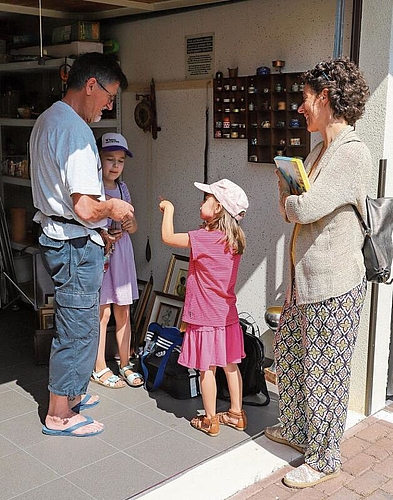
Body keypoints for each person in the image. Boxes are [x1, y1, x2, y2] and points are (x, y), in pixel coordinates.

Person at [265, 57, 373, 487]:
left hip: (333, 283)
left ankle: (325, 457)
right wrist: (290, 198)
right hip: (302, 282)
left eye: (305, 99)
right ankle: (295, 430)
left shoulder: (352, 153)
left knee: (325, 369)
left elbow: (302, 207)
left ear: (326, 99)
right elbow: (296, 211)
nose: (300, 108)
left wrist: (286, 190)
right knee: (293, 361)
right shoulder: (318, 150)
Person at [30, 52, 134, 437]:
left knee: (82, 320)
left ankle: (72, 393)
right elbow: (85, 207)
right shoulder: (75, 131)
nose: (109, 105)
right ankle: (60, 413)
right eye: (109, 96)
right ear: (91, 85)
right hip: (73, 243)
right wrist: (114, 206)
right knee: (76, 325)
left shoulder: (47, 119)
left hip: (63, 236)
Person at [159, 179, 249, 436]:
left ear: (218, 207)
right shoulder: (235, 240)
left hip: (204, 315)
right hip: (227, 315)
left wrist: (169, 210)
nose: (202, 202)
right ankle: (236, 413)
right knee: (231, 365)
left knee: (206, 369)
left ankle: (210, 420)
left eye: (206, 198)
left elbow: (167, 237)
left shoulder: (204, 238)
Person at [91, 133, 144, 389]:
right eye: (109, 159)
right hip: (101, 253)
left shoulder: (123, 188)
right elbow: (88, 220)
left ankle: (125, 363)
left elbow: (132, 224)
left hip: (121, 253)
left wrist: (131, 225)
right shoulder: (92, 189)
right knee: (103, 312)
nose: (114, 165)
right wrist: (103, 233)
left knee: (123, 309)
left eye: (120, 160)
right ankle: (98, 366)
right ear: (98, 159)